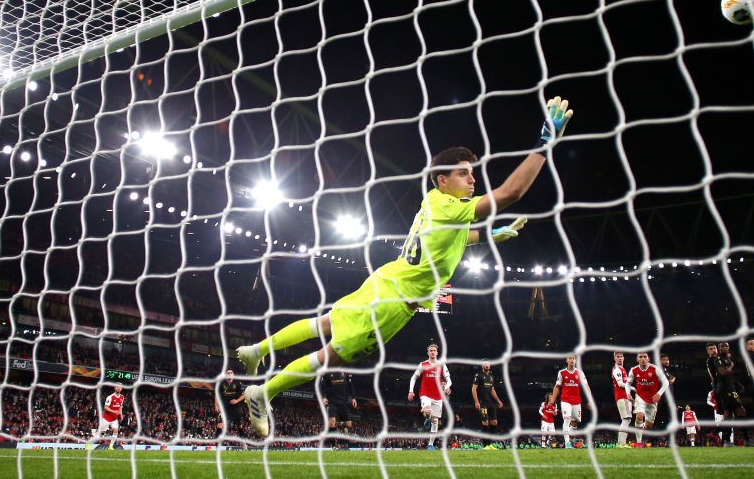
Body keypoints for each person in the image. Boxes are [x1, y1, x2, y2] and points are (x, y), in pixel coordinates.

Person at [234, 97, 574, 436]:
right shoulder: (452, 208)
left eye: (472, 173)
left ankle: (256, 350)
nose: (472, 180)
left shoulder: (436, 202)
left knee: (326, 322)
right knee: (331, 356)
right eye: (463, 173)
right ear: (442, 180)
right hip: (394, 302)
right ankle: (263, 393)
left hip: (388, 277)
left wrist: (487, 237)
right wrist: (544, 143)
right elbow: (511, 192)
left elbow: (451, 240)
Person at [408, 343, 452, 450]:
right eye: (431, 350)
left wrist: (447, 386)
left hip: (438, 396)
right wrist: (411, 391)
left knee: (435, 421)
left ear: (437, 353)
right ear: (428, 353)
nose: (432, 352)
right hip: (425, 394)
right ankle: (427, 417)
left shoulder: (442, 365)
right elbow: (413, 378)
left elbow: (449, 380)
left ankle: (431, 444)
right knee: (427, 411)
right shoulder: (423, 364)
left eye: (434, 351)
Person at [625, 351, 669, 448]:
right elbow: (628, 383)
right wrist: (628, 394)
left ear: (648, 359)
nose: (643, 358)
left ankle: (640, 427)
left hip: (653, 399)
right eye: (640, 357)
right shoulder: (633, 370)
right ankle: (639, 443)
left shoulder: (655, 369)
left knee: (649, 425)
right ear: (637, 359)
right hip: (640, 396)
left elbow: (666, 382)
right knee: (639, 416)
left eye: (645, 356)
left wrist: (659, 393)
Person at [714, 342, 753, 445]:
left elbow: (728, 376)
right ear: (719, 348)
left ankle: (724, 438)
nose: (725, 347)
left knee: (728, 415)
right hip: (726, 390)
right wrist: (731, 365)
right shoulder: (718, 359)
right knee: (741, 411)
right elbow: (723, 372)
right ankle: (747, 439)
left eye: (727, 346)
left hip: (728, 388)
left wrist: (736, 383)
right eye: (722, 346)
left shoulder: (726, 358)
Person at [549, 354, 590, 449]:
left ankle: (570, 442)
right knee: (567, 419)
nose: (572, 360)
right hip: (565, 400)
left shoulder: (580, 373)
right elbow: (557, 386)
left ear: (575, 361)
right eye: (570, 358)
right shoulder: (562, 373)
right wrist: (553, 399)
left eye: (573, 358)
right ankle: (567, 443)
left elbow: (586, 386)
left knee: (574, 423)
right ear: (566, 360)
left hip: (576, 401)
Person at [319, 369, 358, 446]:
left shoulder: (345, 373)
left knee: (349, 425)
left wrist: (353, 398)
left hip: (343, 402)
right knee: (332, 422)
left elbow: (350, 385)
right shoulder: (327, 373)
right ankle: (333, 446)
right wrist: (323, 397)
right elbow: (322, 387)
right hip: (332, 402)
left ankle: (340, 424)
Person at [471, 360, 504, 448]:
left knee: (494, 423)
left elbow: (492, 390)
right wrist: (476, 401)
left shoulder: (491, 376)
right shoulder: (478, 375)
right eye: (485, 364)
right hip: (482, 403)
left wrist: (498, 400)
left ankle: (489, 443)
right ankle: (486, 445)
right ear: (482, 365)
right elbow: (474, 389)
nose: (487, 365)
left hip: (491, 403)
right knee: (485, 422)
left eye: (488, 364)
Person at [611, 351, 633, 447]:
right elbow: (620, 384)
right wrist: (633, 388)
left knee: (626, 419)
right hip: (621, 396)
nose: (620, 358)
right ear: (615, 358)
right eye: (618, 357)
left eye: (621, 356)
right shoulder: (617, 369)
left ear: (624, 358)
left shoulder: (622, 369)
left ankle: (620, 443)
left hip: (624, 396)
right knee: (626, 419)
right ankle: (622, 443)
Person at [92, 384, 125, 450]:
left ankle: (110, 446)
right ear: (115, 388)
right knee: (99, 433)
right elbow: (105, 407)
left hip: (114, 419)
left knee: (116, 431)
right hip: (107, 418)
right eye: (117, 387)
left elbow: (120, 407)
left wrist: (121, 415)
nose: (119, 388)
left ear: (121, 388)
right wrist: (114, 411)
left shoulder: (122, 397)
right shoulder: (110, 397)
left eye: (120, 387)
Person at [215, 368, 245, 435]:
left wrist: (237, 400)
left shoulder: (238, 383)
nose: (229, 374)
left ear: (233, 374)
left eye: (231, 373)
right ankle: (217, 445)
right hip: (224, 407)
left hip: (235, 407)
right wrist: (216, 405)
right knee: (219, 425)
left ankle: (244, 442)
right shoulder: (221, 384)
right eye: (228, 373)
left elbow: (244, 394)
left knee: (239, 426)